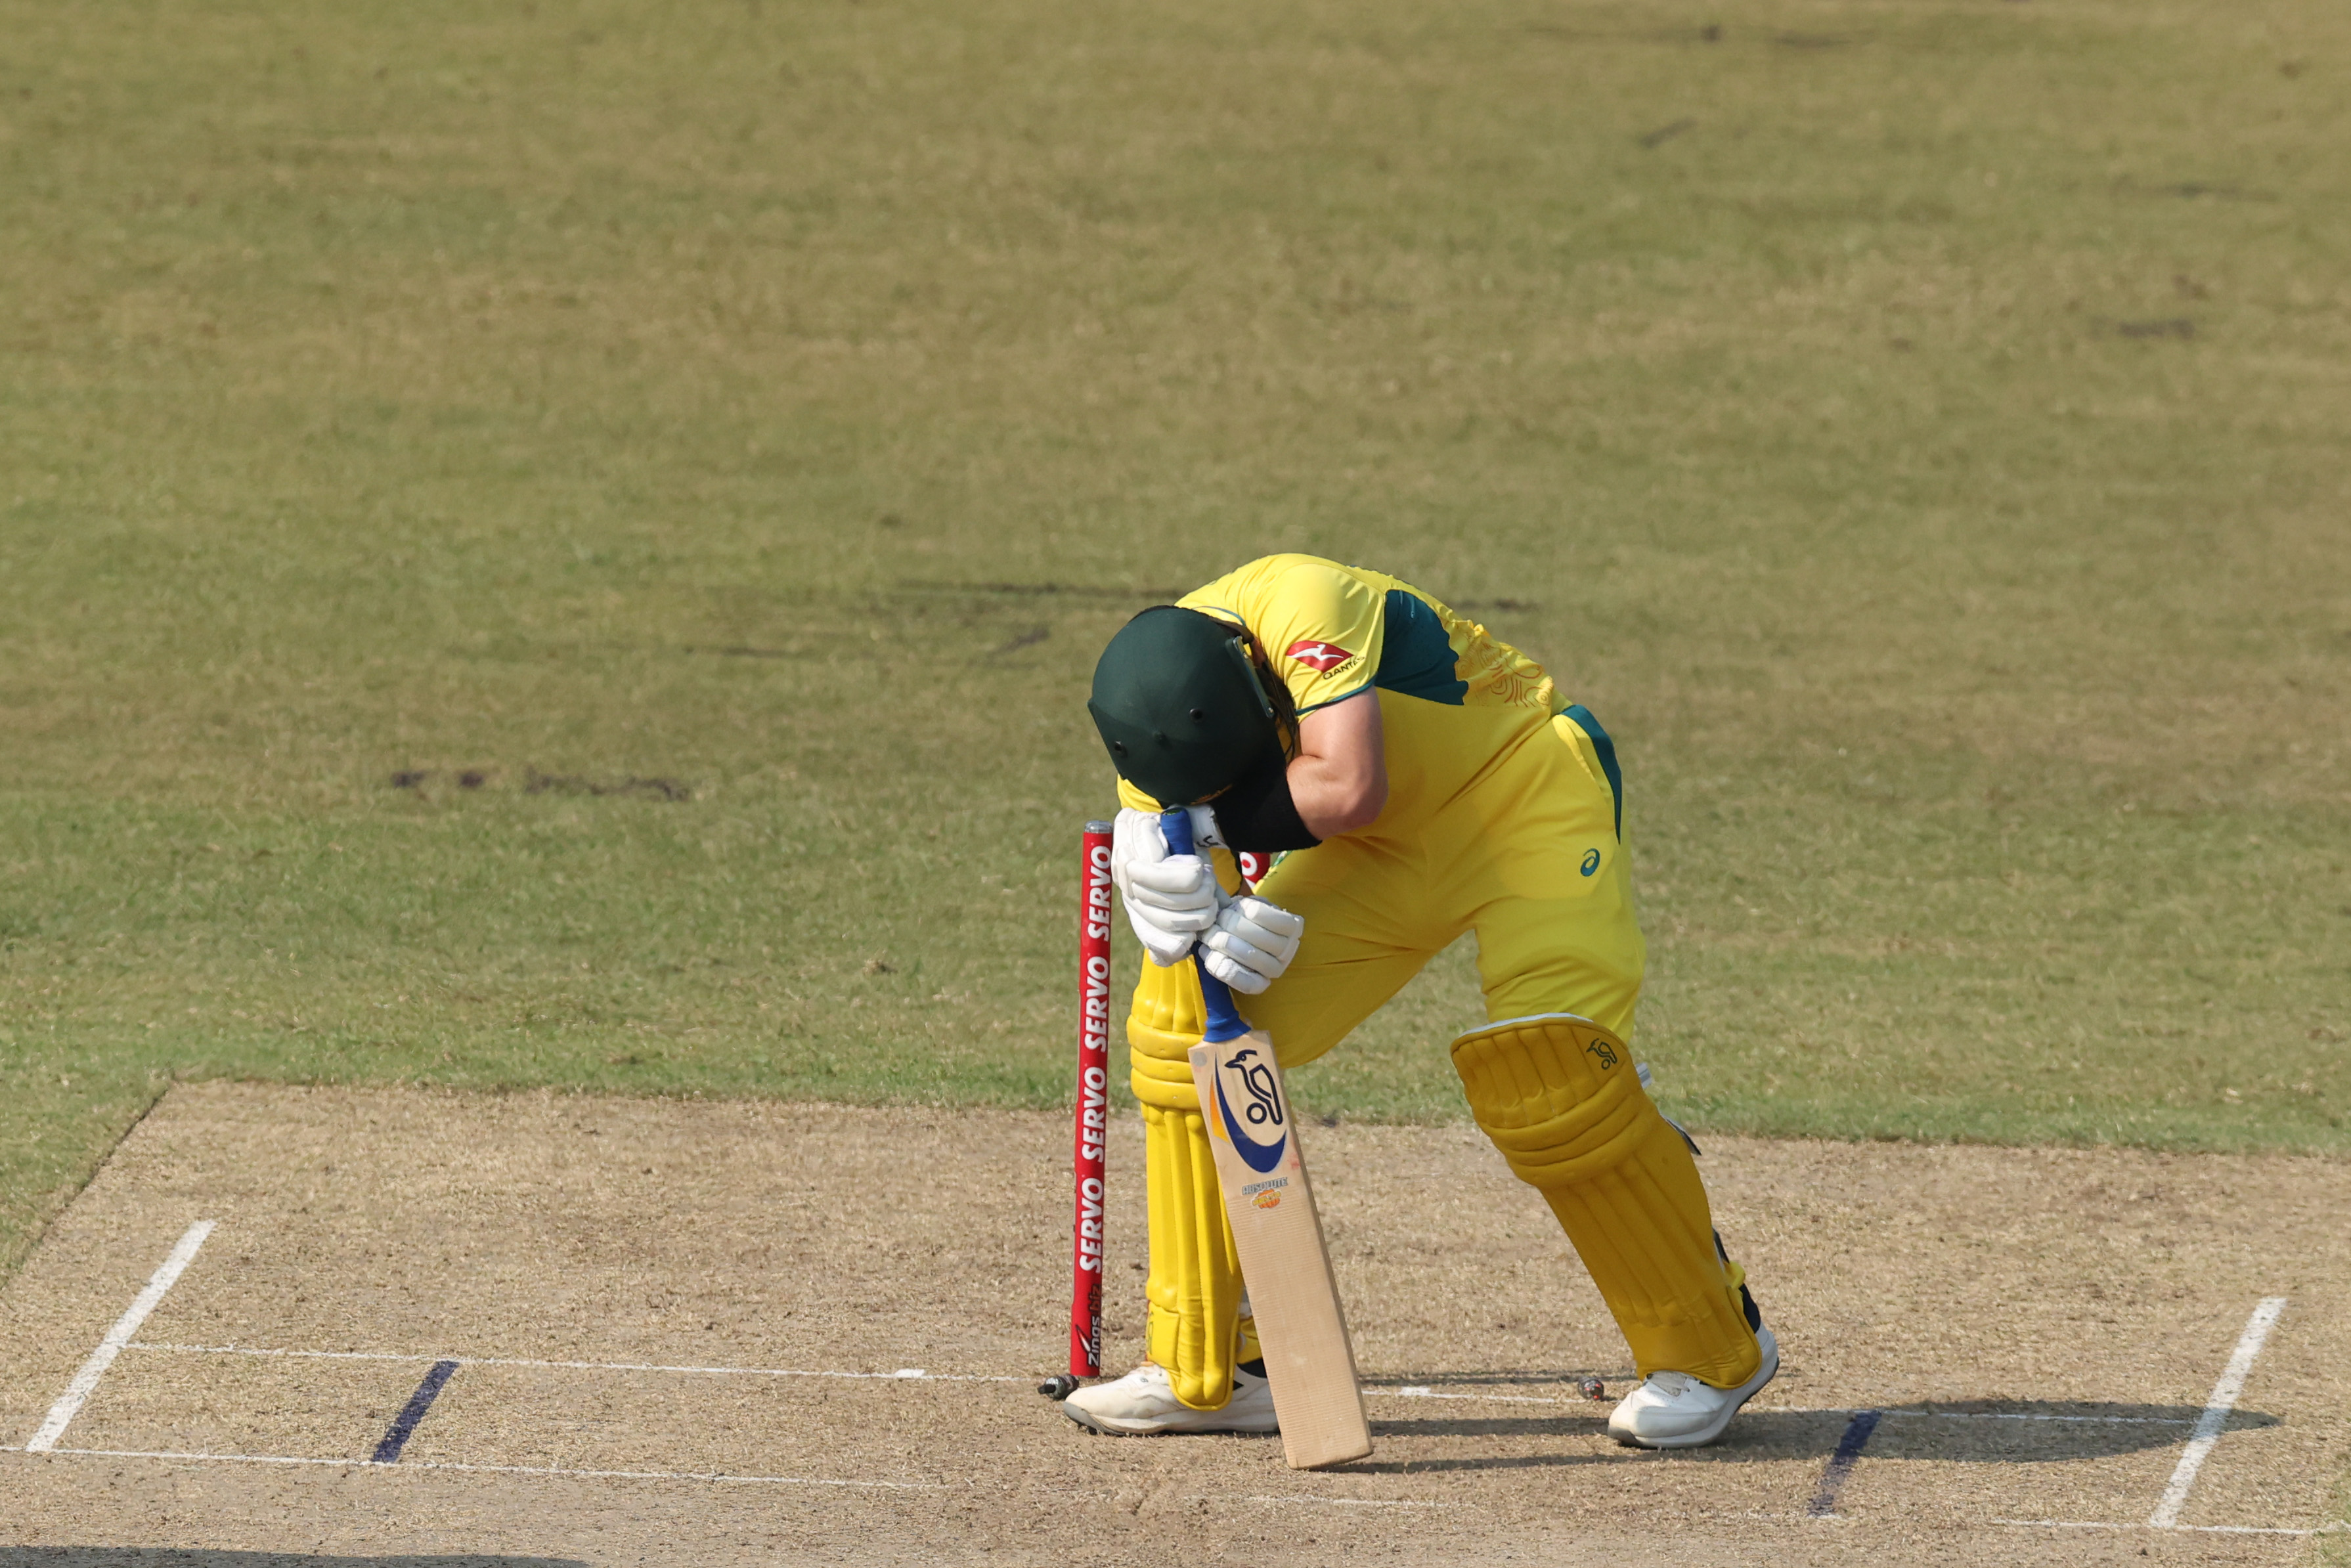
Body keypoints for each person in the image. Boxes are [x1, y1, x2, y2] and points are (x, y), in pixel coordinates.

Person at [1060, 554, 1775, 1450]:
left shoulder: (1297, 602)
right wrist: (1171, 886)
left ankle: (1712, 1351)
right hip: (1380, 855)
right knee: (1183, 1034)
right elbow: (1193, 848)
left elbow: (1350, 785)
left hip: (1526, 802)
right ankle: (1214, 1369)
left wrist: (1193, 828)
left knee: (1553, 1081)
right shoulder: (1151, 726)